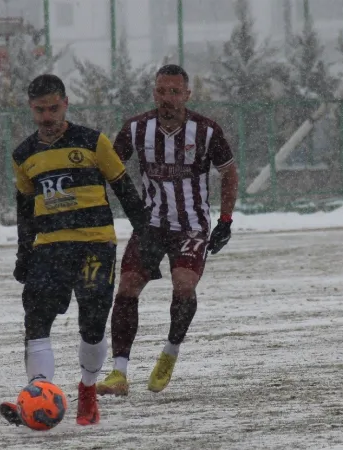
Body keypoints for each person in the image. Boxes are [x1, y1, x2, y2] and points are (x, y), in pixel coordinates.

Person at [0, 74, 149, 426]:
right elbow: (25, 208)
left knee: (92, 322)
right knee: (36, 317)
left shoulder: (93, 142)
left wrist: (147, 238)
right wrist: (24, 252)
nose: (47, 117)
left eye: (53, 108)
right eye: (39, 110)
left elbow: (125, 190)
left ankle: (87, 388)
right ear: (30, 109)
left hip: (95, 244)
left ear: (66, 104)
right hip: (49, 248)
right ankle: (38, 392)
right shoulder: (23, 154)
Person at [97, 64, 239, 396]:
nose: (168, 98)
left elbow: (229, 174)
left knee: (184, 284)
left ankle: (170, 353)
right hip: (151, 225)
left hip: (191, 226)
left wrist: (225, 221)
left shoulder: (206, 131)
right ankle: (118, 373)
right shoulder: (136, 129)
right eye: (162, 91)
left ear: (187, 95)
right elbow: (110, 167)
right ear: (154, 93)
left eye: (175, 92)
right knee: (128, 286)